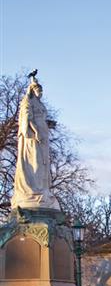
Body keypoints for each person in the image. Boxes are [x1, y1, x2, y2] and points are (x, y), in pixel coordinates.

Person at [11, 77, 60, 210]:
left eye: (42, 90)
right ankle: (34, 190)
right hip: (33, 137)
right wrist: (36, 130)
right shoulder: (28, 101)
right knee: (34, 162)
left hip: (43, 138)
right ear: (33, 90)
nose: (41, 92)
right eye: (38, 89)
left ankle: (42, 189)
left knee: (44, 164)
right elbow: (27, 117)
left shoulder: (40, 104)